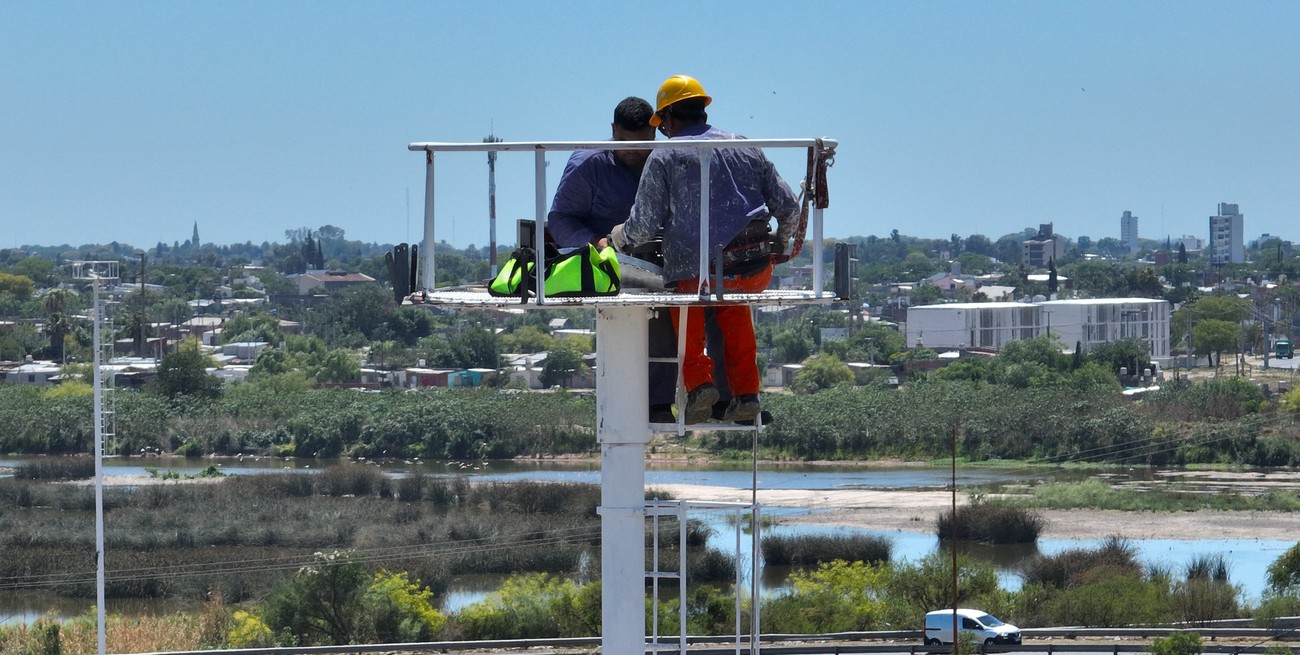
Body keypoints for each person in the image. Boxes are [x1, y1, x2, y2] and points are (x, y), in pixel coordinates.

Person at [612, 74, 799, 424]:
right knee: (733, 307)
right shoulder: (744, 145)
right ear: (702, 110)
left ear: (667, 118)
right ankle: (746, 394)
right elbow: (789, 208)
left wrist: (617, 236)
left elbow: (643, 226)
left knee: (687, 303)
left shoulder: (665, 155)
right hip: (754, 270)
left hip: (699, 275)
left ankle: (698, 385)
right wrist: (781, 243)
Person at [546, 97, 677, 422]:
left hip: (664, 262)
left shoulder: (672, 160)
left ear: (656, 132)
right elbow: (560, 219)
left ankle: (659, 406)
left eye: (642, 143)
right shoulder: (588, 163)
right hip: (604, 265)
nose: (633, 150)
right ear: (612, 132)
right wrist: (597, 243)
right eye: (624, 142)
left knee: (670, 326)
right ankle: (633, 407)